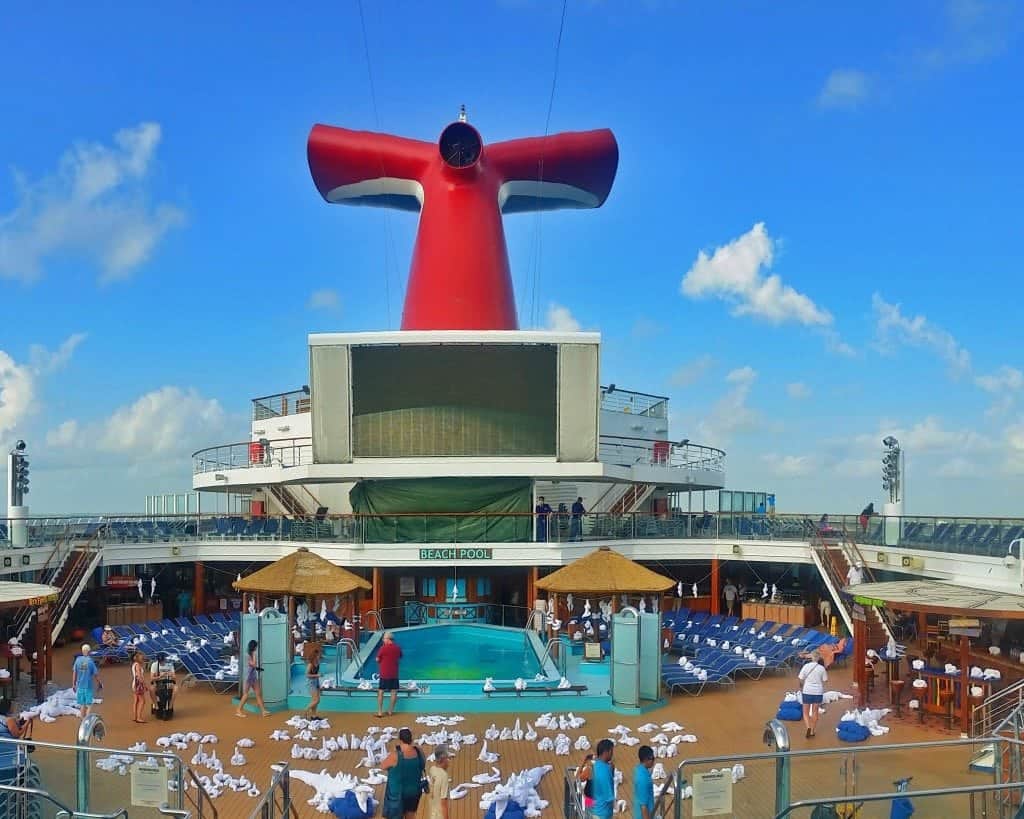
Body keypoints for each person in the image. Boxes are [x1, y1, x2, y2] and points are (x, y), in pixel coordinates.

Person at [381, 727, 426, 819]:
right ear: (411, 739)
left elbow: (383, 766)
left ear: (400, 739)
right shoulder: (419, 751)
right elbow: (422, 764)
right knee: (410, 815)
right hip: (414, 791)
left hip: (398, 794)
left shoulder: (395, 755)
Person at [798, 649, 829, 738]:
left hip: (807, 691)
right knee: (815, 712)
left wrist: (801, 686)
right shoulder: (821, 668)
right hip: (818, 692)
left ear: (811, 657)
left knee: (805, 712)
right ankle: (812, 731)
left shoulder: (806, 666)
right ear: (819, 658)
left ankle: (808, 727)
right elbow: (825, 680)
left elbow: (800, 678)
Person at [235, 639, 269, 717]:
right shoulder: (247, 655)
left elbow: (254, 666)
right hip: (248, 677)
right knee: (246, 695)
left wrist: (258, 668)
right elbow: (253, 664)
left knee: (258, 693)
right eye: (256, 647)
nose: (256, 648)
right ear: (253, 647)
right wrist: (254, 655)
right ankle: (238, 710)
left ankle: (263, 711)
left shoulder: (251, 654)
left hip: (253, 676)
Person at [0, 697, 32, 769]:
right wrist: (27, 723)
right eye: (12, 706)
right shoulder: (9, 720)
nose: (13, 707)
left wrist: (17, 723)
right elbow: (16, 734)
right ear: (7, 708)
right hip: (8, 745)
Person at [376, 631, 403, 718]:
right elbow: (400, 656)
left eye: (384, 638)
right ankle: (390, 710)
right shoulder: (397, 648)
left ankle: (380, 711)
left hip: (384, 674)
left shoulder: (383, 648)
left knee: (381, 692)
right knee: (394, 692)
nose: (383, 640)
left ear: (387, 639)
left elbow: (377, 659)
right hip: (394, 674)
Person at [72, 644, 101, 718]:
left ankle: (82, 721)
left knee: (82, 704)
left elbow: (74, 673)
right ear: (89, 651)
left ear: (82, 651)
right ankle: (87, 720)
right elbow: (95, 674)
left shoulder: (78, 660)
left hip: (79, 686)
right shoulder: (90, 661)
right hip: (88, 686)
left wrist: (74, 684)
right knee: (89, 705)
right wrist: (99, 683)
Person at [590, 738, 615, 819]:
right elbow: (609, 797)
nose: (612, 754)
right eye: (611, 751)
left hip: (595, 810)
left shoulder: (596, 765)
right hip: (602, 814)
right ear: (606, 752)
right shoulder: (605, 771)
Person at [149, 651, 178, 716]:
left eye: (162, 660)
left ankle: (170, 706)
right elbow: (151, 678)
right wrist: (160, 676)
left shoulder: (170, 665)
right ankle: (156, 706)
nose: (161, 662)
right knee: (151, 689)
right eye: (160, 661)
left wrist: (171, 675)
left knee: (176, 688)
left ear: (165, 659)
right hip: (158, 682)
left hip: (168, 682)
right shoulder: (154, 665)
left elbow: (175, 678)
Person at [427, 743, 451, 819]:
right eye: (448, 758)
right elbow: (443, 802)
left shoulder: (432, 769)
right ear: (443, 759)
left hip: (433, 813)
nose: (449, 761)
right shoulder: (444, 776)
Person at [633, 745, 656, 819]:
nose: (653, 761)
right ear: (646, 760)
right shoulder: (643, 779)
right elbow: (643, 806)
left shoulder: (638, 769)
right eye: (652, 759)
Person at [130, 651, 148, 723]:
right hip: (138, 684)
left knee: (136, 701)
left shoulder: (134, 664)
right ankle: (139, 717)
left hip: (134, 684)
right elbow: (139, 676)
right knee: (142, 701)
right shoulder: (138, 665)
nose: (142, 657)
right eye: (141, 656)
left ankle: (135, 716)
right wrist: (145, 685)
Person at [306, 644, 322, 717]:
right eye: (318, 655)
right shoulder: (310, 665)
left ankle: (314, 715)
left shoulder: (317, 663)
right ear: (314, 656)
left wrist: (319, 683)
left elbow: (316, 673)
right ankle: (305, 710)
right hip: (311, 683)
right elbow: (307, 675)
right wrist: (317, 675)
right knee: (316, 700)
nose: (319, 656)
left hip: (316, 682)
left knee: (315, 700)